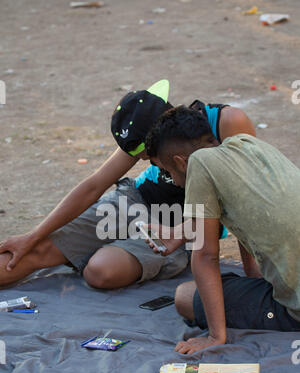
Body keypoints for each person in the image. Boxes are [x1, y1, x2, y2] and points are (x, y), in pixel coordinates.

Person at [0, 80, 255, 289]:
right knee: (37, 251)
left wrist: (253, 275)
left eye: (150, 157)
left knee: (100, 271)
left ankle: (91, 251)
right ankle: (81, 249)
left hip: (182, 224)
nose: (147, 162)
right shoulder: (144, 129)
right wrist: (33, 236)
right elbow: (94, 185)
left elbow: (242, 200)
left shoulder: (228, 123)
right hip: (136, 202)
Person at [145, 105, 300, 354]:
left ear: (179, 162)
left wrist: (216, 336)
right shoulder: (246, 143)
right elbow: (245, 212)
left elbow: (206, 255)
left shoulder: (199, 164)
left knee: (185, 296)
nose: (172, 181)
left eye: (168, 172)